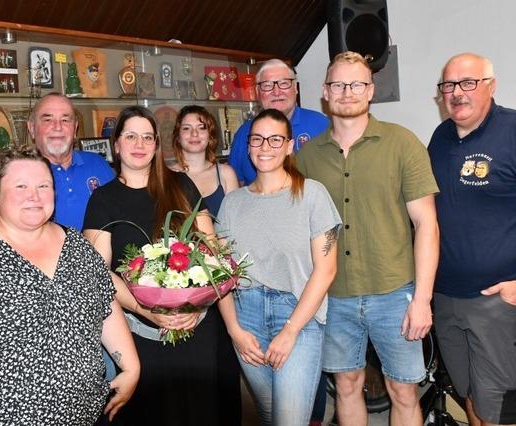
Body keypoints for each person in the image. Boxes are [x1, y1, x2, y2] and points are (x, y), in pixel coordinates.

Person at [0, 146, 139, 425]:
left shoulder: (77, 246)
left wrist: (131, 366)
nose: (34, 196)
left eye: (43, 186)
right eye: (21, 186)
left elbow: (104, 304)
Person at [297, 51, 440, 426]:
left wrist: (422, 299)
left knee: (403, 390)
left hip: (394, 293)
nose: (347, 92)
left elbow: (427, 224)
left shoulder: (402, 143)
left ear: (371, 90)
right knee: (346, 386)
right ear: (325, 92)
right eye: (338, 84)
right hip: (334, 295)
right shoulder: (306, 157)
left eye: (357, 84)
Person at [83, 106, 227, 426]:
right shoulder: (103, 200)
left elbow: (211, 250)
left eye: (148, 137)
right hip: (142, 335)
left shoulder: (181, 185)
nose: (140, 144)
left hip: (197, 329)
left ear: (157, 144)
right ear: (116, 144)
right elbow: (98, 273)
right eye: (131, 136)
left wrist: (195, 305)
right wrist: (148, 311)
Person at [217, 108, 341, 425]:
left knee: (289, 419)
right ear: (248, 146)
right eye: (257, 139)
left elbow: (326, 270)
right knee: (269, 413)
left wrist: (290, 330)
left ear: (289, 146)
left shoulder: (312, 194)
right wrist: (234, 330)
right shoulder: (232, 203)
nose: (265, 147)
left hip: (298, 314)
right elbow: (220, 274)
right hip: (246, 316)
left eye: (275, 139)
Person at [428, 52, 516, 426]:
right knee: (468, 395)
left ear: (490, 86)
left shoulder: (512, 130)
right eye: (449, 85)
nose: (457, 93)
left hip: (495, 300)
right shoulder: (440, 138)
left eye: (468, 82)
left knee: (497, 408)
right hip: (446, 297)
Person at [170, 105, 241, 424]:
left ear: (211, 134)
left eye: (201, 127)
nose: (194, 134)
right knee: (196, 364)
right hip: (187, 283)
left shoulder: (226, 174)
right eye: (187, 128)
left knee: (226, 360)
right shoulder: (168, 176)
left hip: (223, 281)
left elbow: (237, 226)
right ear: (177, 135)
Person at [228, 59, 329, 186]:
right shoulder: (245, 133)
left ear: (295, 88)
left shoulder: (321, 126)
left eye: (284, 83)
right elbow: (236, 184)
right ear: (257, 91)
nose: (276, 92)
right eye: (267, 85)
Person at [27, 92, 114, 230]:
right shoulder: (20, 174)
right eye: (48, 120)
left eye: (65, 120)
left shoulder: (98, 164)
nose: (57, 127)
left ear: (75, 128)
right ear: (32, 128)